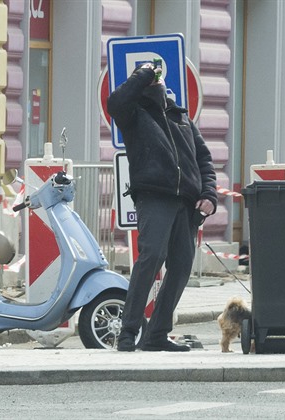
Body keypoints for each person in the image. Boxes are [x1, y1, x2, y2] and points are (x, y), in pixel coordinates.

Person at [107, 62, 217, 352]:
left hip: (187, 201)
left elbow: (204, 161)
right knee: (152, 256)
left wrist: (209, 194)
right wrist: (142, 73)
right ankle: (128, 331)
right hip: (154, 195)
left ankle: (157, 334)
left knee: (181, 265)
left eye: (158, 78)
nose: (158, 81)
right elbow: (115, 102)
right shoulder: (134, 114)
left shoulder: (182, 117)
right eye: (151, 79)